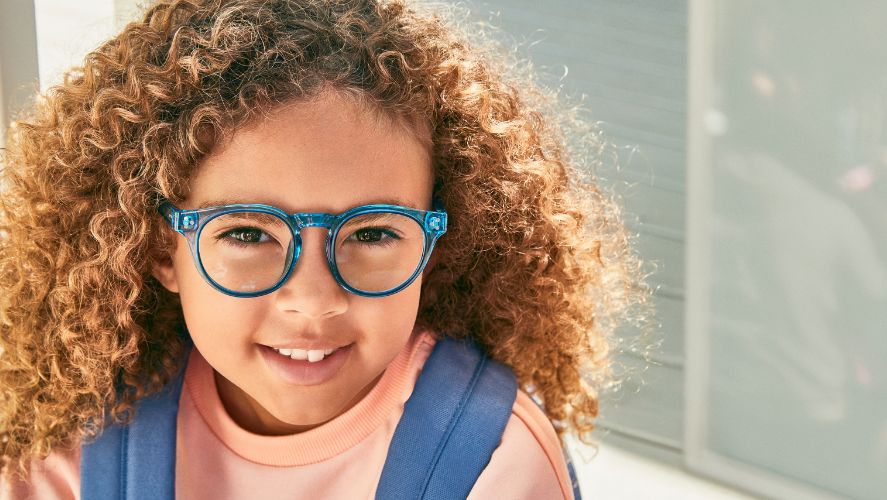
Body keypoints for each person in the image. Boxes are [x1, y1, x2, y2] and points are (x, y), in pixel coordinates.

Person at [0, 0, 648, 498]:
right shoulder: (68, 438)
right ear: (160, 250)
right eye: (248, 233)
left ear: (435, 246)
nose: (313, 300)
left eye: (372, 233)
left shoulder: (491, 462)